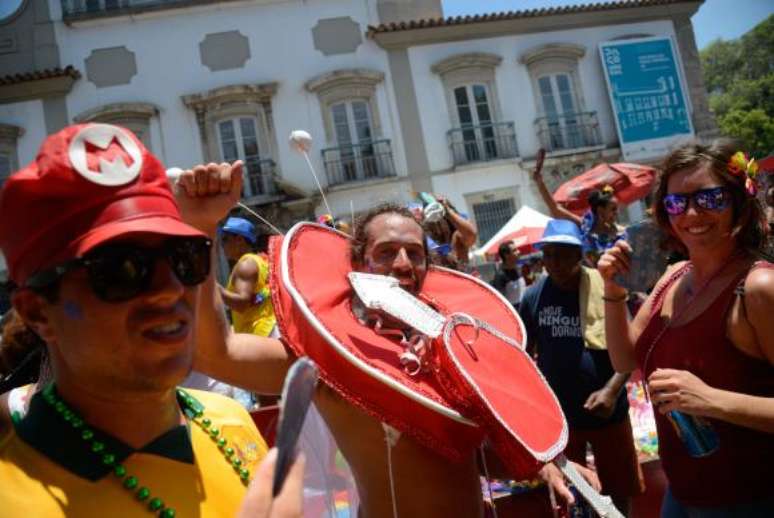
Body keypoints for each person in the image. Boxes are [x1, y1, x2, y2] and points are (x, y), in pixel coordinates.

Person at [186, 183, 603, 517]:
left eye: (415, 253)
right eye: (386, 253)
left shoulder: (455, 353)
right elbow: (215, 354)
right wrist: (202, 229)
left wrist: (545, 465)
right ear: (357, 265)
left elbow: (466, 455)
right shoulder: (330, 359)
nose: (403, 264)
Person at [0, 123, 302, 517]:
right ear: (39, 313)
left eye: (184, 258)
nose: (170, 289)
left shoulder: (227, 420)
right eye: (121, 270)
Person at [599, 141, 774, 516]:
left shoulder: (758, 288)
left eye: (709, 199)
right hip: (681, 497)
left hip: (751, 500)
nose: (692, 213)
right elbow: (624, 358)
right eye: (676, 203)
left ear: (738, 200)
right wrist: (612, 293)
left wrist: (712, 401)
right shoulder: (670, 277)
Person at [520, 219, 644, 515]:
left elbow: (629, 348)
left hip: (608, 413)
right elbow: (523, 355)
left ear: (579, 255)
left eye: (563, 254)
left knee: (619, 489)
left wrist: (611, 392)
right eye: (548, 255)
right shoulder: (533, 296)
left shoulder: (607, 289)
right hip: (562, 421)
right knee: (571, 492)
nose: (555, 263)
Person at [531, 149, 625, 265]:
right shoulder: (584, 226)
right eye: (613, 209)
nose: (617, 213)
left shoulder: (621, 232)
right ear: (600, 210)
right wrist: (540, 183)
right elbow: (555, 208)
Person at [219, 216, 276, 338]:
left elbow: (241, 303)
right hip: (270, 330)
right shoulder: (262, 260)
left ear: (239, 239)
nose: (222, 245)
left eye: (225, 239)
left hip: (258, 335)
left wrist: (215, 289)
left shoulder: (245, 264)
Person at [423, 194, 478, 270]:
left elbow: (471, 234)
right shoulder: (425, 241)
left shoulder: (457, 238)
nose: (435, 225)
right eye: (431, 221)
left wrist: (447, 211)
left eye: (439, 220)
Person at [491, 240, 527, 309]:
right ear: (506, 255)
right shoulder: (500, 276)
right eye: (514, 250)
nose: (518, 252)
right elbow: (499, 302)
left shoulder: (518, 269)